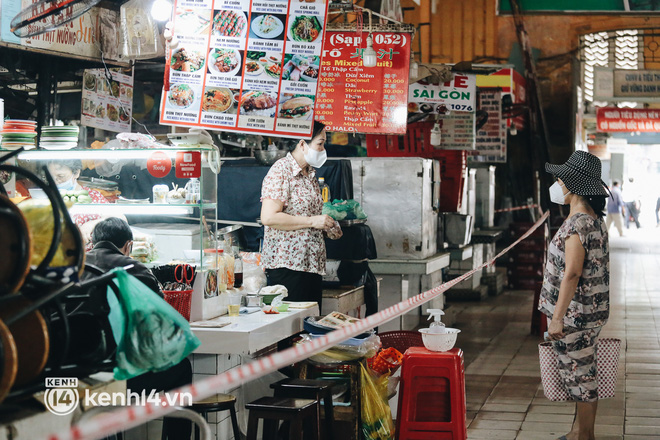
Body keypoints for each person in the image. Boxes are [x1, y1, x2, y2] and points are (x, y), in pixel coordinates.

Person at [86, 217, 191, 440]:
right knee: (181, 367)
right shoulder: (134, 268)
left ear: (92, 241)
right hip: (122, 378)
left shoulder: (73, 268)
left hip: (77, 374)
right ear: (128, 246)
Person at [539, 151, 610, 440]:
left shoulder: (576, 224)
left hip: (574, 317)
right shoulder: (594, 220)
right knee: (582, 373)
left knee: (581, 379)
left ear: (572, 184)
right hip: (589, 314)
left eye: (560, 178)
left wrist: (557, 318)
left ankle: (585, 437)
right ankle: (577, 432)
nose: (557, 182)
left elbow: (572, 273)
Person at [260, 121, 342, 309]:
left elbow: (309, 217)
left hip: (311, 265)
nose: (323, 149)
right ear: (302, 143)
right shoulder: (281, 170)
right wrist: (313, 221)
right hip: (288, 266)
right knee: (291, 331)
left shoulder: (309, 174)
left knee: (309, 330)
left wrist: (327, 225)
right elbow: (269, 217)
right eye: (320, 143)